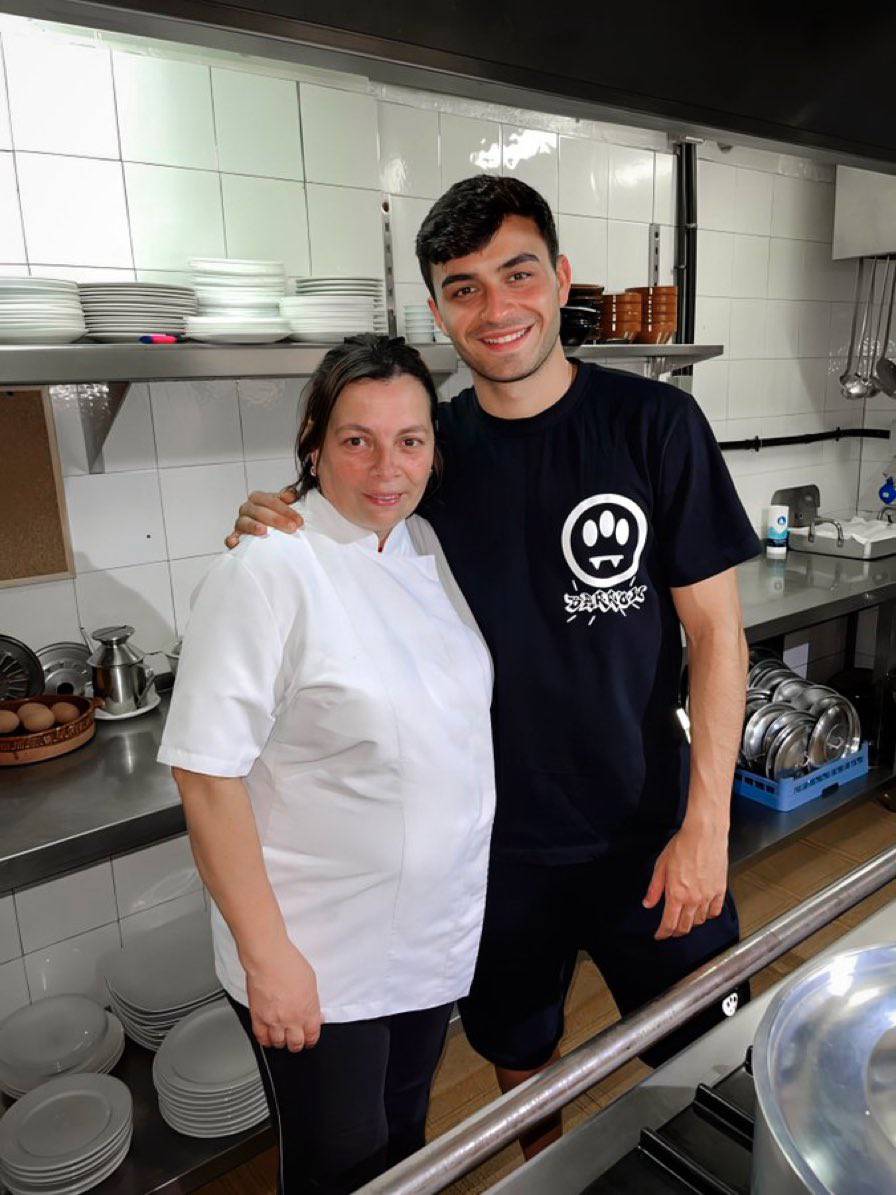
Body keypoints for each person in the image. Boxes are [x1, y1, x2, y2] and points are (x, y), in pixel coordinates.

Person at [227, 175, 762, 1159]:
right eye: (462, 286)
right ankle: (546, 1174)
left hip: (650, 823)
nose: (495, 306)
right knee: (518, 1054)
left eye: (516, 273)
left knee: (717, 1048)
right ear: (436, 310)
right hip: (488, 848)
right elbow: (339, 508)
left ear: (558, 280)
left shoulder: (653, 427)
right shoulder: (430, 452)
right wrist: (271, 513)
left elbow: (716, 636)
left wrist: (707, 822)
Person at [158, 335, 495, 1194]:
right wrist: (270, 960)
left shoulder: (422, 541)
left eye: (410, 439)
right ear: (313, 441)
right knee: (338, 1168)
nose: (388, 465)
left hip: (426, 932)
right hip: (321, 954)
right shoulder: (268, 567)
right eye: (357, 439)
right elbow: (205, 775)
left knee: (405, 1143)